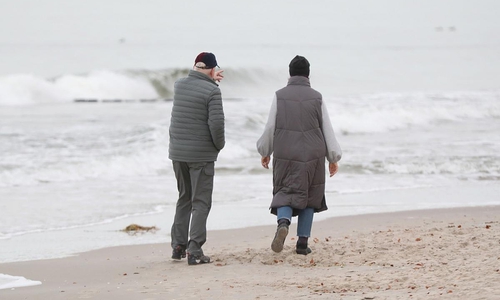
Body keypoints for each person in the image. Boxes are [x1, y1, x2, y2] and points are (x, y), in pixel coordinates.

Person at [256, 55, 342, 255]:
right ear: (308, 74)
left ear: (290, 73)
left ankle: (283, 222)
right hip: (313, 153)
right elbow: (326, 128)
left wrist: (265, 151)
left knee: (285, 191)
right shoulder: (317, 97)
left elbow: (270, 126)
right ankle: (302, 243)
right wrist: (333, 157)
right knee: (310, 195)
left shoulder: (279, 95)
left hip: (285, 150)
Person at [168, 52, 225, 265]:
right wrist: (218, 146)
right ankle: (195, 250)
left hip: (178, 153)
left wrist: (209, 79)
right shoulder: (212, 91)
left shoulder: (179, 85)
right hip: (200, 155)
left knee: (184, 198)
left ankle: (178, 246)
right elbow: (217, 125)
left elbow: (194, 86)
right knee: (200, 202)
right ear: (212, 69)